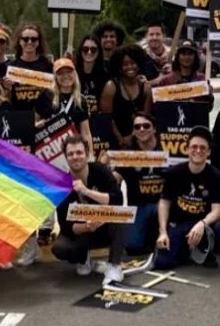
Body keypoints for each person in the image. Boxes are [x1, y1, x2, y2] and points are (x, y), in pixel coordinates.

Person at [51, 135, 125, 284]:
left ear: (87, 154)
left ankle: (114, 266)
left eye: (79, 152)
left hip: (105, 226)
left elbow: (117, 199)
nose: (75, 157)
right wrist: (87, 226)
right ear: (66, 158)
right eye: (70, 154)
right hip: (83, 231)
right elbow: (66, 226)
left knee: (121, 217)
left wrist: (86, 191)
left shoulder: (101, 170)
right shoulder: (62, 184)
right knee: (60, 247)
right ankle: (84, 259)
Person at [155, 126, 220, 268]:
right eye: (194, 147)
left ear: (208, 152)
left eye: (203, 148)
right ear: (187, 149)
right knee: (162, 263)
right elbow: (164, 203)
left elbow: (217, 210)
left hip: (202, 225)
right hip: (179, 223)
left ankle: (205, 249)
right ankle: (185, 249)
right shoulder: (174, 172)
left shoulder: (216, 176)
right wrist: (162, 232)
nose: (198, 151)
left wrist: (202, 223)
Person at [114, 111, 166, 255]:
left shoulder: (167, 148)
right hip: (139, 206)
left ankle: (159, 232)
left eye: (146, 126)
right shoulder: (128, 154)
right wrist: (104, 169)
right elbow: (115, 178)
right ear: (133, 132)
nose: (142, 129)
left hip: (162, 204)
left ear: (154, 129)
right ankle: (149, 235)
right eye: (137, 127)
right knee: (132, 246)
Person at [99, 44, 153, 147]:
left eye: (133, 63)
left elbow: (146, 119)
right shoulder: (111, 87)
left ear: (139, 64)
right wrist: (120, 139)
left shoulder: (146, 88)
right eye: (125, 64)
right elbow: (107, 118)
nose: (129, 67)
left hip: (139, 139)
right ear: (119, 67)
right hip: (114, 141)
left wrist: (132, 136)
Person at [9, 21, 54, 112]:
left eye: (34, 39)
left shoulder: (47, 65)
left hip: (43, 115)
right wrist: (8, 88)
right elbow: (7, 98)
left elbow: (54, 91)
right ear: (20, 41)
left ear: (38, 42)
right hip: (19, 115)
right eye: (25, 39)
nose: (29, 42)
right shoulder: (12, 67)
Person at [50, 58, 93, 151]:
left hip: (73, 151)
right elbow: (35, 122)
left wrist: (90, 156)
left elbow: (85, 133)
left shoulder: (81, 100)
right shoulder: (47, 96)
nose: (65, 76)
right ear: (55, 77)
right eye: (60, 73)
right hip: (52, 150)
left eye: (69, 72)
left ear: (75, 74)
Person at [76, 33, 107, 116]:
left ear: (98, 52)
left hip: (97, 119)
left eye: (93, 49)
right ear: (80, 51)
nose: (89, 52)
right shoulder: (73, 73)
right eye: (85, 49)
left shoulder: (105, 76)